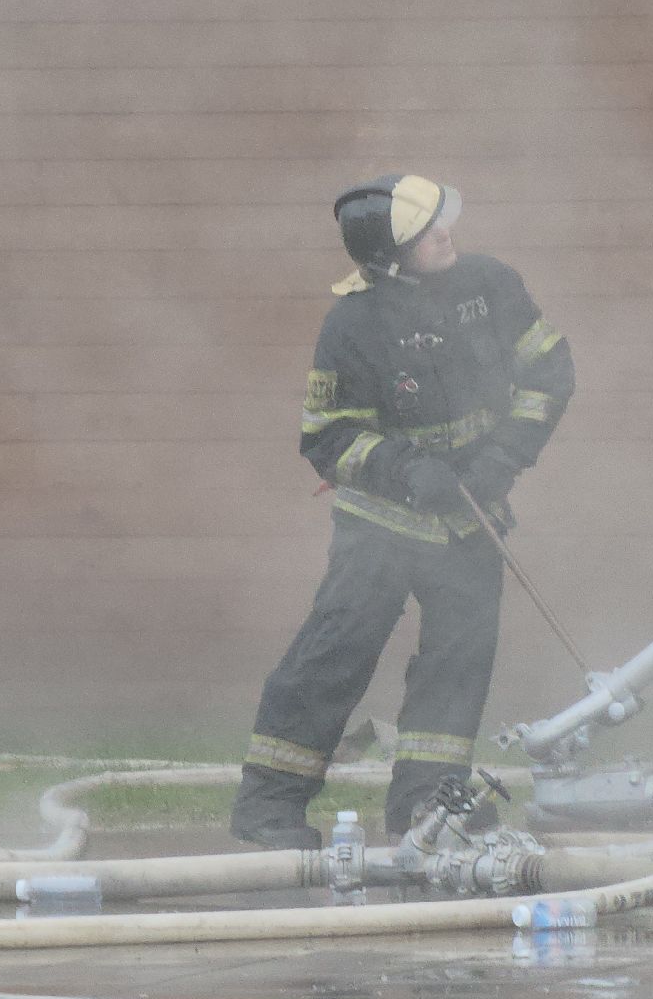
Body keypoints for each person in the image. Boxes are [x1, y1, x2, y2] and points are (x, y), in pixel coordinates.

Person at [228, 174, 575, 849]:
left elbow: (550, 371)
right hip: (380, 527)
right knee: (334, 655)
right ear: (387, 255)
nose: (444, 232)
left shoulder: (490, 287)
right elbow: (326, 436)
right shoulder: (352, 324)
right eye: (422, 230)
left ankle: (425, 807)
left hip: (470, 514)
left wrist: (502, 459)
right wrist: (406, 468)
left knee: (458, 663)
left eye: (439, 221)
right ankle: (269, 806)